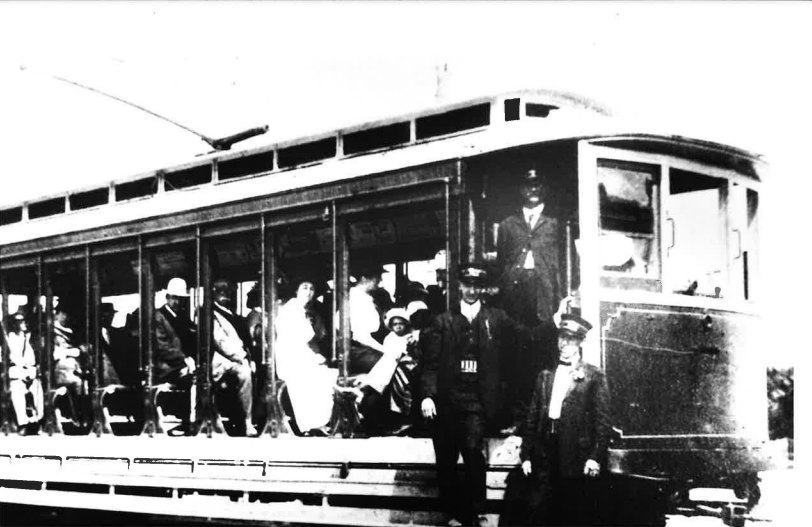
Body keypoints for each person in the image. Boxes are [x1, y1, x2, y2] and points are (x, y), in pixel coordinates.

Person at [421, 263, 518, 527]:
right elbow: (429, 363)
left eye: (477, 285)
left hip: (476, 400)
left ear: (483, 288)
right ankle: (453, 514)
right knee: (446, 457)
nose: (472, 290)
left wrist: (552, 325)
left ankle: (475, 512)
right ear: (460, 286)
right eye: (468, 285)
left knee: (473, 451)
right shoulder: (442, 321)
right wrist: (428, 395)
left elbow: (524, 337)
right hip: (447, 400)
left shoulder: (496, 318)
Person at [506, 314, 612, 526]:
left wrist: (595, 457)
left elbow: (603, 422)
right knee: (538, 508)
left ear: (581, 342)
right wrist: (526, 454)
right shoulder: (545, 375)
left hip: (575, 455)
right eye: (561, 337)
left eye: (571, 339)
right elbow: (533, 418)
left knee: (570, 511)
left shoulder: (593, 376)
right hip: (545, 450)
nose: (564, 344)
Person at [496, 168, 565, 429]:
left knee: (544, 358)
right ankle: (518, 418)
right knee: (516, 359)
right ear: (521, 190)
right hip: (515, 299)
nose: (533, 190)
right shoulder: (507, 225)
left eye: (537, 185)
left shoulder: (555, 224)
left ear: (543, 189)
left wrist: (561, 299)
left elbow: (562, 264)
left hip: (544, 299)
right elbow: (503, 262)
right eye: (528, 185)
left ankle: (543, 420)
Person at [275, 277, 338, 436]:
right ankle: (310, 424)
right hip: (292, 355)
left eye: (312, 289)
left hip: (305, 353)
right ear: (296, 291)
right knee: (310, 378)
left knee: (327, 376)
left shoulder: (310, 311)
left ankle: (322, 422)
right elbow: (305, 337)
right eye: (304, 288)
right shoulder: (291, 308)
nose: (309, 292)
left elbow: (321, 334)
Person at [211, 278, 257, 437]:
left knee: (247, 374)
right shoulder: (210, 314)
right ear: (214, 293)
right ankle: (214, 420)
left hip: (238, 359)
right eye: (221, 291)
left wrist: (250, 359)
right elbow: (219, 341)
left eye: (228, 291)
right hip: (219, 359)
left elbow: (246, 341)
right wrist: (241, 357)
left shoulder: (236, 317)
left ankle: (247, 420)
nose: (225, 295)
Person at [153, 277, 197, 389]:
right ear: (167, 297)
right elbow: (162, 347)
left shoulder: (182, 317)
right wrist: (185, 360)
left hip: (184, 364)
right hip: (167, 367)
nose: (177, 302)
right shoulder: (158, 317)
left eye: (180, 299)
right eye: (174, 298)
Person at [53, 301, 90, 425]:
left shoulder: (69, 330)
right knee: (78, 383)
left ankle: (83, 414)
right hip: (61, 367)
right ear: (57, 314)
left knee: (86, 382)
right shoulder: (52, 332)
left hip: (74, 366)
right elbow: (53, 353)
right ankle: (77, 416)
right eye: (63, 313)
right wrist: (70, 352)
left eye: (67, 314)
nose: (66, 316)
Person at [7, 310, 44, 434]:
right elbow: (12, 357)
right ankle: (23, 423)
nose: (23, 323)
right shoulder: (10, 338)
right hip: (17, 371)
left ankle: (38, 421)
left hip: (31, 370)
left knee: (38, 391)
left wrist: (31, 370)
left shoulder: (29, 337)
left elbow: (34, 357)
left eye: (23, 321)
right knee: (17, 391)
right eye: (19, 321)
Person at [348, 264, 388, 374]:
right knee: (390, 365)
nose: (380, 280)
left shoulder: (366, 298)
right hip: (358, 350)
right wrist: (386, 351)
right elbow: (361, 337)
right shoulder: (356, 299)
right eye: (377, 277)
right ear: (364, 278)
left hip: (366, 347)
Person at [99, 302, 139, 386]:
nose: (110, 317)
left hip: (121, 379)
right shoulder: (94, 336)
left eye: (111, 314)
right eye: (106, 314)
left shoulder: (118, 333)